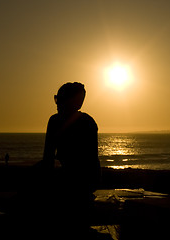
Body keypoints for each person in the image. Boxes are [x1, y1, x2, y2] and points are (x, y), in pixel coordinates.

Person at [38, 82, 101, 234]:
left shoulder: (85, 123)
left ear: (73, 102)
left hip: (82, 179)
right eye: (56, 98)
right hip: (78, 177)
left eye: (60, 98)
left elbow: (87, 162)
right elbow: (48, 157)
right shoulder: (57, 121)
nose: (57, 103)